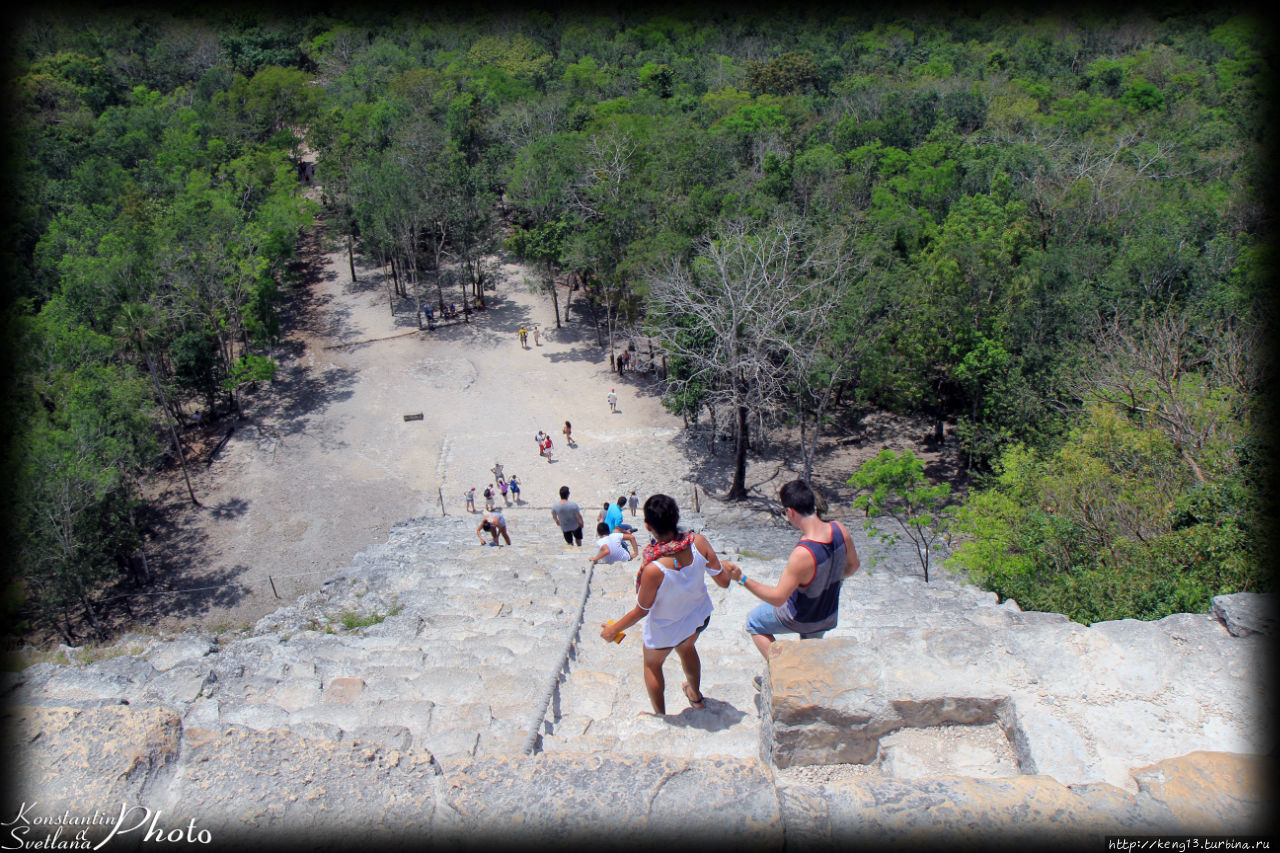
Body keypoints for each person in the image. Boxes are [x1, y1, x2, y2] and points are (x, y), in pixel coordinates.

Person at [600, 494, 731, 715]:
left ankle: (661, 717)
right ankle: (696, 696)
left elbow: (641, 610)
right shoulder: (698, 542)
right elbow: (723, 581)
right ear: (676, 517)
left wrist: (614, 629)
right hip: (698, 617)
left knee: (652, 665)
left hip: (666, 627)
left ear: (648, 526)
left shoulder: (654, 568)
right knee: (687, 648)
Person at [724, 479, 861, 661]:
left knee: (754, 622)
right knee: (809, 650)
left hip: (802, 617)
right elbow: (854, 566)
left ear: (790, 512)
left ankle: (782, 670)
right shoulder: (840, 530)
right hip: (827, 613)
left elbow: (777, 597)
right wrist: (832, 580)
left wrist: (741, 578)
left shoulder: (803, 553)